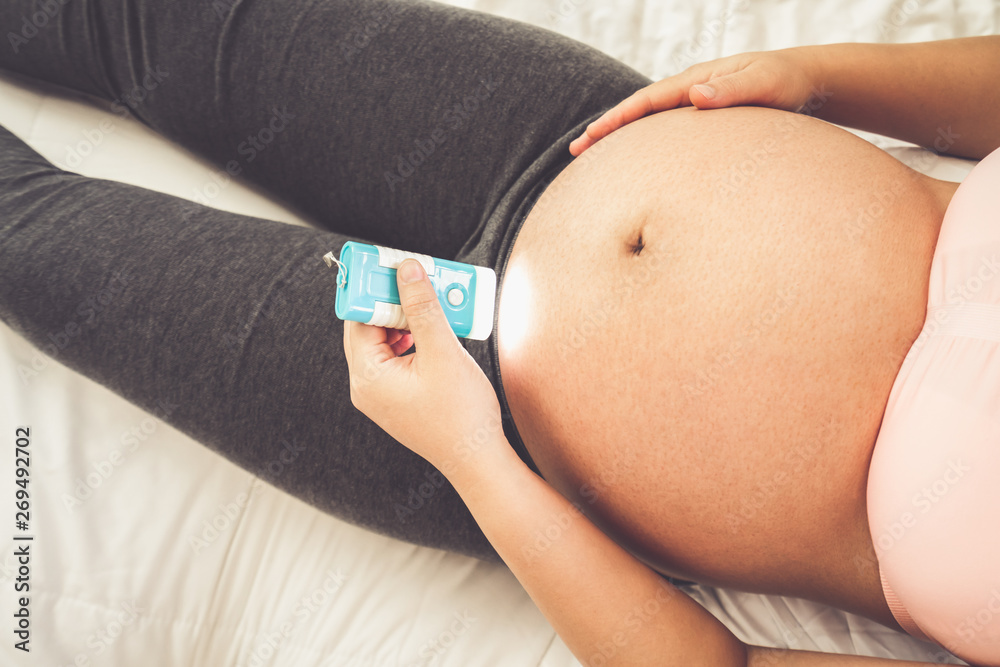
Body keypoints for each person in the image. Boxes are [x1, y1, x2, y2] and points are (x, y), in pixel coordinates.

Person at [0, 0, 994, 662]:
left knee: (23, 231)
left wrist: (471, 458)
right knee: (131, 18)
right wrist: (816, 77)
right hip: (574, 131)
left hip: (479, 426)